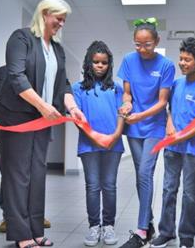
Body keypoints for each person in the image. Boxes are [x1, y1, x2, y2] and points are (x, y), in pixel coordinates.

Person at [0, 0, 86, 248]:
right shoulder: (22, 38)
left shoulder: (56, 49)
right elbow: (16, 76)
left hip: (41, 119)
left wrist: (73, 108)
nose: (61, 24)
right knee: (18, 175)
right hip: (19, 117)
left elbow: (64, 85)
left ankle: (35, 230)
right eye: (59, 18)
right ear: (45, 13)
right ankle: (21, 235)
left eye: (64, 20)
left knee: (37, 174)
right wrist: (43, 106)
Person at [150, 37, 195, 248]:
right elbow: (169, 110)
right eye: (181, 58)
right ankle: (166, 232)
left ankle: (186, 237)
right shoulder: (176, 84)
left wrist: (182, 136)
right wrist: (170, 126)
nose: (182, 63)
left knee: (189, 194)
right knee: (169, 189)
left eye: (187, 60)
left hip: (193, 151)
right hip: (172, 148)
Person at [117, 18, 175, 248]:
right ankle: (148, 224)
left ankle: (141, 230)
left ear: (157, 41)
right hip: (134, 127)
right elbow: (127, 94)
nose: (142, 49)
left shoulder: (166, 65)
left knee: (144, 173)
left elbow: (162, 102)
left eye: (147, 44)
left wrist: (140, 116)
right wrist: (127, 105)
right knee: (142, 177)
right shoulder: (129, 61)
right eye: (137, 45)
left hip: (154, 126)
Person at [72, 41, 125, 247]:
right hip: (89, 145)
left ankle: (108, 226)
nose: (100, 66)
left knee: (109, 186)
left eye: (104, 63)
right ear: (89, 63)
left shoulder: (116, 88)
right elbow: (78, 119)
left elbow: (122, 114)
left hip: (113, 144)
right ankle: (94, 226)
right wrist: (95, 138)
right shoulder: (78, 89)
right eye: (96, 62)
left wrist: (114, 136)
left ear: (109, 65)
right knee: (93, 186)